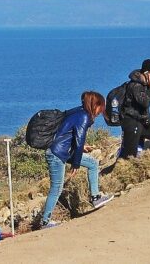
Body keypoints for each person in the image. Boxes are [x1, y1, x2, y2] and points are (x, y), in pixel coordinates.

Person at [40, 91, 114, 229]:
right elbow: (78, 141)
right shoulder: (84, 116)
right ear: (95, 105)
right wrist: (75, 164)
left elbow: (69, 136)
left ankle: (96, 197)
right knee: (56, 188)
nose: (100, 111)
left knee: (92, 163)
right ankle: (45, 222)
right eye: (100, 107)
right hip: (57, 154)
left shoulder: (79, 112)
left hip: (63, 151)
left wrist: (82, 148)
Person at [119, 59, 150, 158]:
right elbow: (145, 103)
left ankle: (147, 159)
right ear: (146, 73)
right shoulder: (135, 85)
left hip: (141, 122)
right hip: (132, 123)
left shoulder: (144, 84)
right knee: (129, 155)